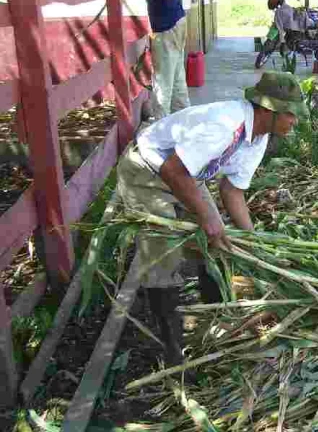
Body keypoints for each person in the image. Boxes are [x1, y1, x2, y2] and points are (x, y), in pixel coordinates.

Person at [116, 72, 307, 364]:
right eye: (291, 114)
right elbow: (171, 170)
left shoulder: (258, 138)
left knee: (220, 245)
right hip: (147, 172)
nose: (295, 122)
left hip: (188, 175)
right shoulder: (225, 126)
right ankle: (172, 349)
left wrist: (253, 242)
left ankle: (215, 323)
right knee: (163, 257)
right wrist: (207, 217)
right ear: (268, 109)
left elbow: (233, 191)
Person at [117, 0, 189, 119]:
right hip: (174, 22)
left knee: (162, 81)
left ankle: (160, 126)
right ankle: (183, 118)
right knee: (176, 78)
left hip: (167, 26)